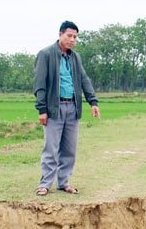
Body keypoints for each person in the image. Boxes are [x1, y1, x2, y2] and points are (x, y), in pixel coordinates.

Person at [33, 20, 100, 195]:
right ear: (60, 35)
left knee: (69, 149)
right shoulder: (46, 54)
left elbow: (84, 80)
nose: (72, 39)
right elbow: (40, 84)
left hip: (73, 107)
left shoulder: (75, 57)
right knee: (51, 148)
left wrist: (93, 102)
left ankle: (64, 182)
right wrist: (42, 109)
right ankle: (45, 183)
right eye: (69, 35)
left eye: (75, 37)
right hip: (54, 108)